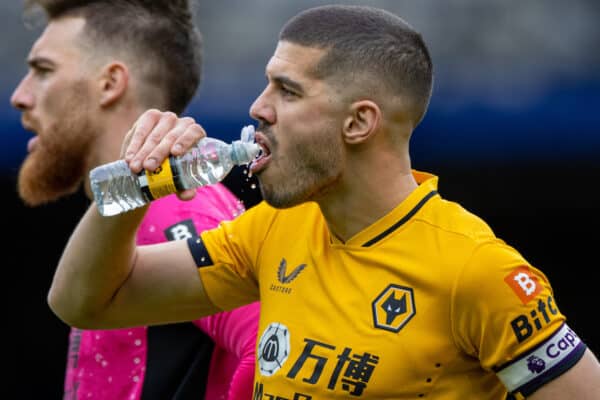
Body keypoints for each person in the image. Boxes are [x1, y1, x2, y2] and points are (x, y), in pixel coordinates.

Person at [47, 4, 600, 399]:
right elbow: (89, 303)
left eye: (287, 90)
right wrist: (134, 191)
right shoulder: (271, 231)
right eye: (267, 86)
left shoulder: (476, 271)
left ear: (359, 121)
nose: (259, 108)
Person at [11, 0, 258, 399]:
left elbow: (273, 346)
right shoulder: (135, 215)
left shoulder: (178, 206)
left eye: (43, 71)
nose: (19, 97)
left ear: (110, 83)